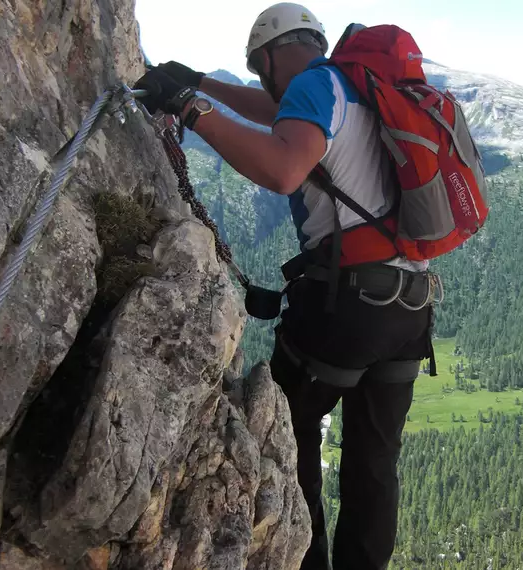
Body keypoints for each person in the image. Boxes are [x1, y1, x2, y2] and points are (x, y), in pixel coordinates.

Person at [134, 3, 435, 569]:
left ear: (271, 56)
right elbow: (278, 109)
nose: (259, 80)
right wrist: (200, 81)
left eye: (258, 69)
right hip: (410, 308)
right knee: (375, 462)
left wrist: (189, 108)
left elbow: (283, 169)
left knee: (286, 434)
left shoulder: (316, 89)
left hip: (345, 309)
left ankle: (304, 561)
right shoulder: (352, 88)